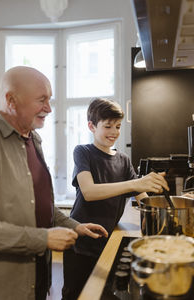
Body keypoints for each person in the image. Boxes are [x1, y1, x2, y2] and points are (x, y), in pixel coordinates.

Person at [0, 67, 108, 300]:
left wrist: (73, 225)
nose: (49, 108)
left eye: (50, 99)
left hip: (37, 280)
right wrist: (43, 239)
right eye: (42, 100)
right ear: (11, 100)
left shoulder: (33, 138)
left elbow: (36, 202)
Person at [62, 98, 169, 300]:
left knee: (101, 292)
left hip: (107, 238)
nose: (114, 132)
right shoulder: (82, 152)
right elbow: (89, 192)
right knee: (74, 294)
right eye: (108, 126)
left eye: (118, 126)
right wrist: (135, 184)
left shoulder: (123, 159)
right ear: (91, 126)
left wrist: (152, 211)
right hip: (80, 241)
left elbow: (141, 195)